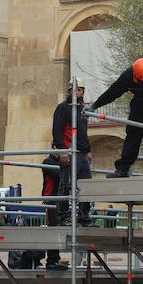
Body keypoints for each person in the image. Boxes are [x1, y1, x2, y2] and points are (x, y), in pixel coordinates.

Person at [91, 58, 143, 178]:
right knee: (133, 134)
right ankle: (123, 168)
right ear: (138, 78)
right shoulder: (127, 77)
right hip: (140, 103)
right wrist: (95, 105)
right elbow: (112, 93)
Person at [51, 80, 93, 225]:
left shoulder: (82, 109)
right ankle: (63, 217)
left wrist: (88, 150)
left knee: (86, 186)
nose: (76, 92)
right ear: (68, 91)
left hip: (81, 153)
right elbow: (57, 130)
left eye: (79, 90)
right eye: (74, 90)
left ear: (83, 91)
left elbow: (83, 132)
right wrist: (62, 151)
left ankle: (84, 217)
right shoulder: (63, 108)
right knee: (67, 185)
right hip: (69, 151)